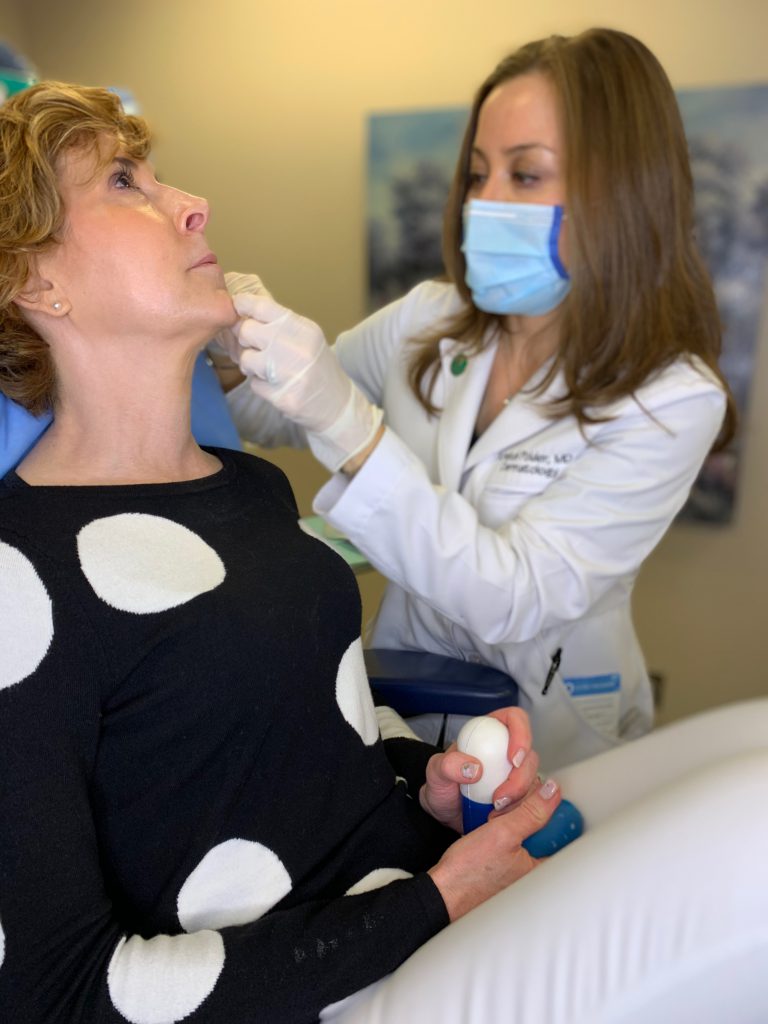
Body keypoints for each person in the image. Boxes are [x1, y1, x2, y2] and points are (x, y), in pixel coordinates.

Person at [0, 79, 767, 1024]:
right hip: (350, 963)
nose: (194, 201)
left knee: (757, 743)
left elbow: (348, 719)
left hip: (468, 803)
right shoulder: (19, 578)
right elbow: (56, 986)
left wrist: (424, 794)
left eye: (526, 174)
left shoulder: (248, 492)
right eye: (126, 181)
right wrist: (441, 891)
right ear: (34, 280)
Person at [218, 27, 737, 770]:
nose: (483, 204)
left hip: (552, 727)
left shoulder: (672, 398)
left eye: (527, 176)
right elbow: (276, 412)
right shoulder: (427, 320)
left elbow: (515, 594)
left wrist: (348, 423)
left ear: (623, 190)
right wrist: (236, 357)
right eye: (478, 174)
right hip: (405, 696)